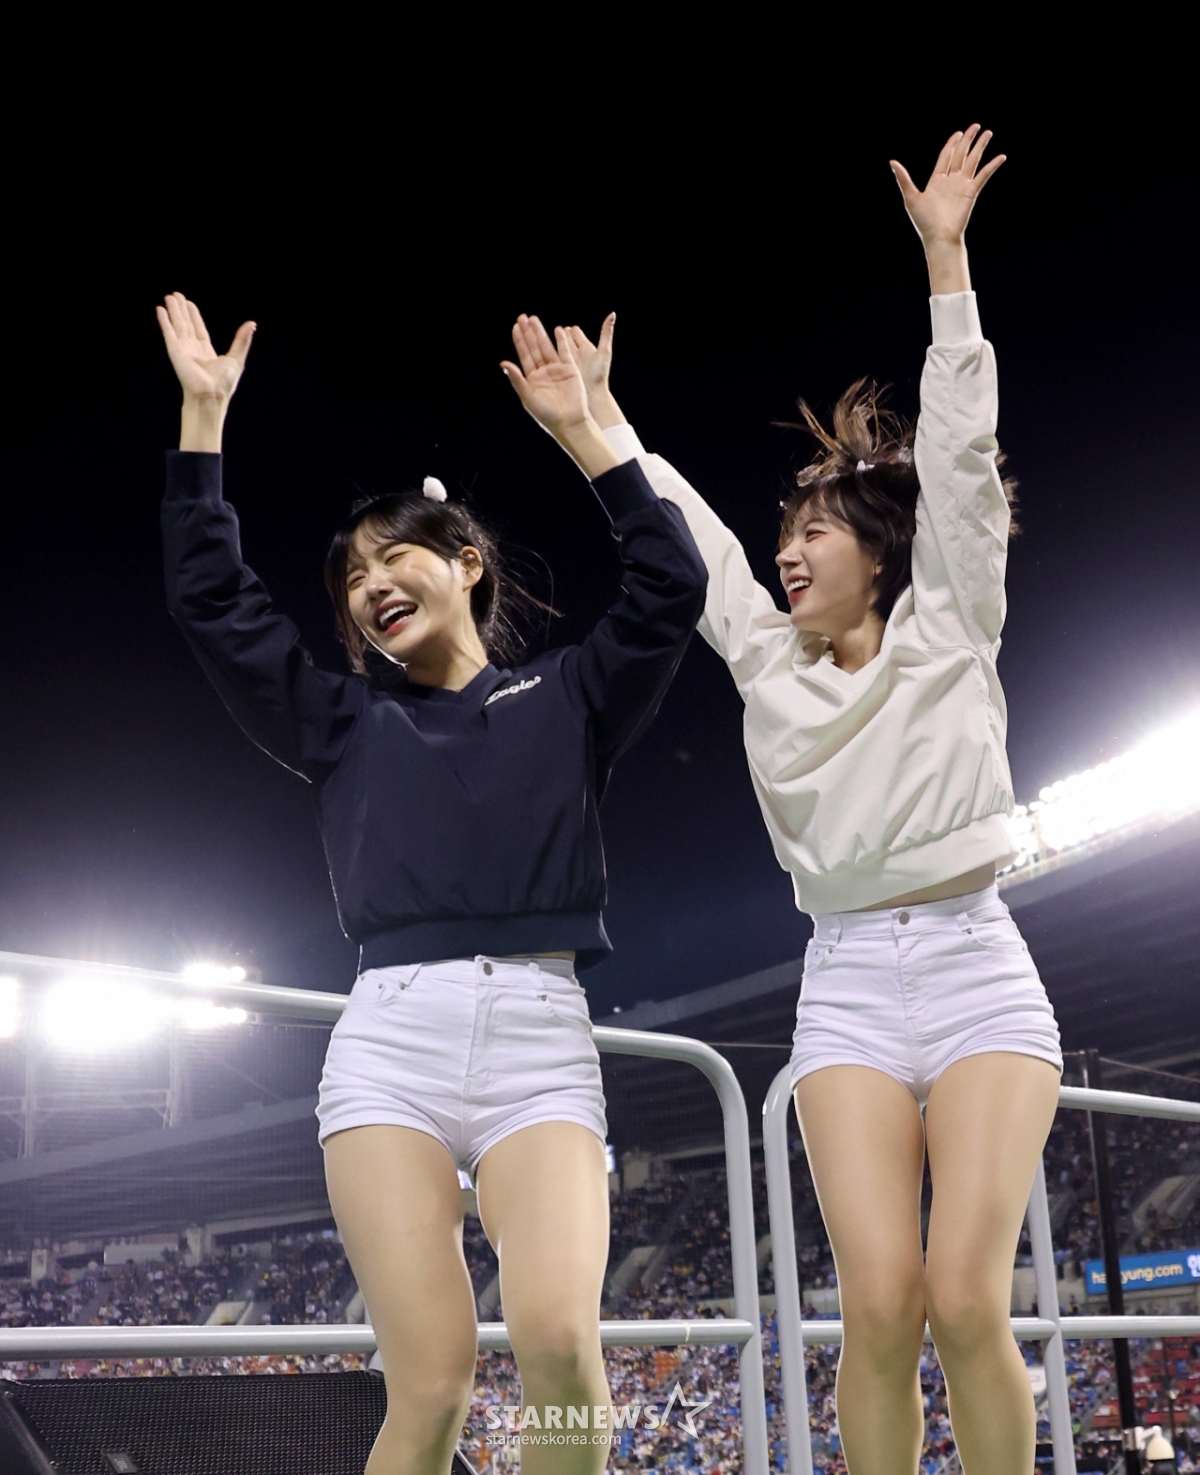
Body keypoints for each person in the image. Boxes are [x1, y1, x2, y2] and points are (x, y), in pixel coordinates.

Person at [569, 127, 1063, 1473]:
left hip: (976, 965)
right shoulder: (765, 660)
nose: (786, 553)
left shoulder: (951, 618)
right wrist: (604, 427)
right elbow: (690, 538)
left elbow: (961, 451)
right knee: (880, 1308)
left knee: (968, 1297)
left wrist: (948, 265)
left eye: (814, 533)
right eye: (784, 536)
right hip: (842, 982)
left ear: (882, 553)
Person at [156, 294, 706, 1475]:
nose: (367, 584)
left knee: (558, 1341)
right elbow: (213, 605)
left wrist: (588, 434)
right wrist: (203, 423)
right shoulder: (344, 721)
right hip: (388, 1046)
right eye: (350, 576)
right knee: (433, 1379)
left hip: (540, 1041)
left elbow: (670, 583)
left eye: (391, 555)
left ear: (465, 562)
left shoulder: (569, 696)